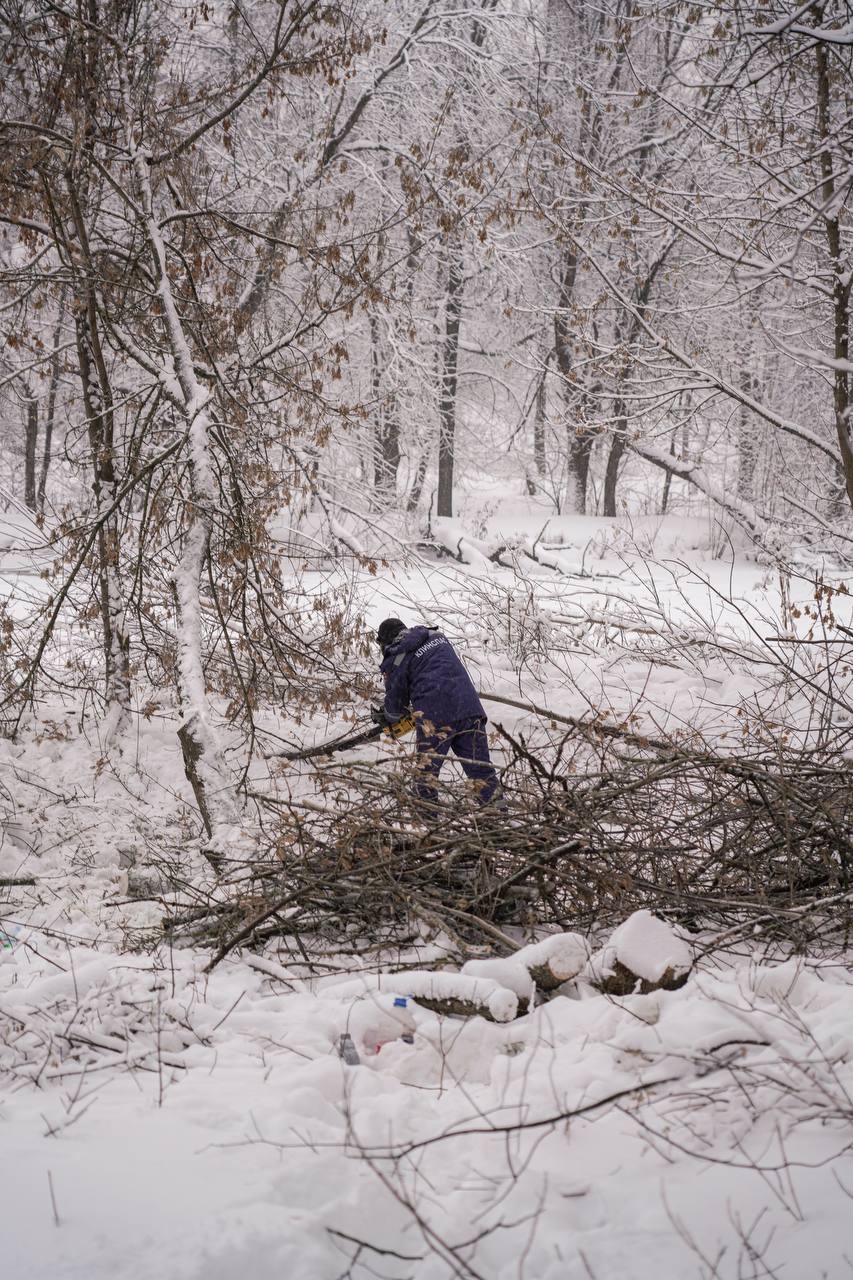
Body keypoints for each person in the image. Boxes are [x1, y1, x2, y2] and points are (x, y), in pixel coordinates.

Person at [374, 617, 502, 808]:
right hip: (469, 708)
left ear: (385, 642)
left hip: (435, 717)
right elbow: (434, 670)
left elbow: (395, 706)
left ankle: (428, 828)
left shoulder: (398, 655)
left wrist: (388, 716)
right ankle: (501, 817)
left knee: (425, 776)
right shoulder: (435, 636)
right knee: (482, 773)